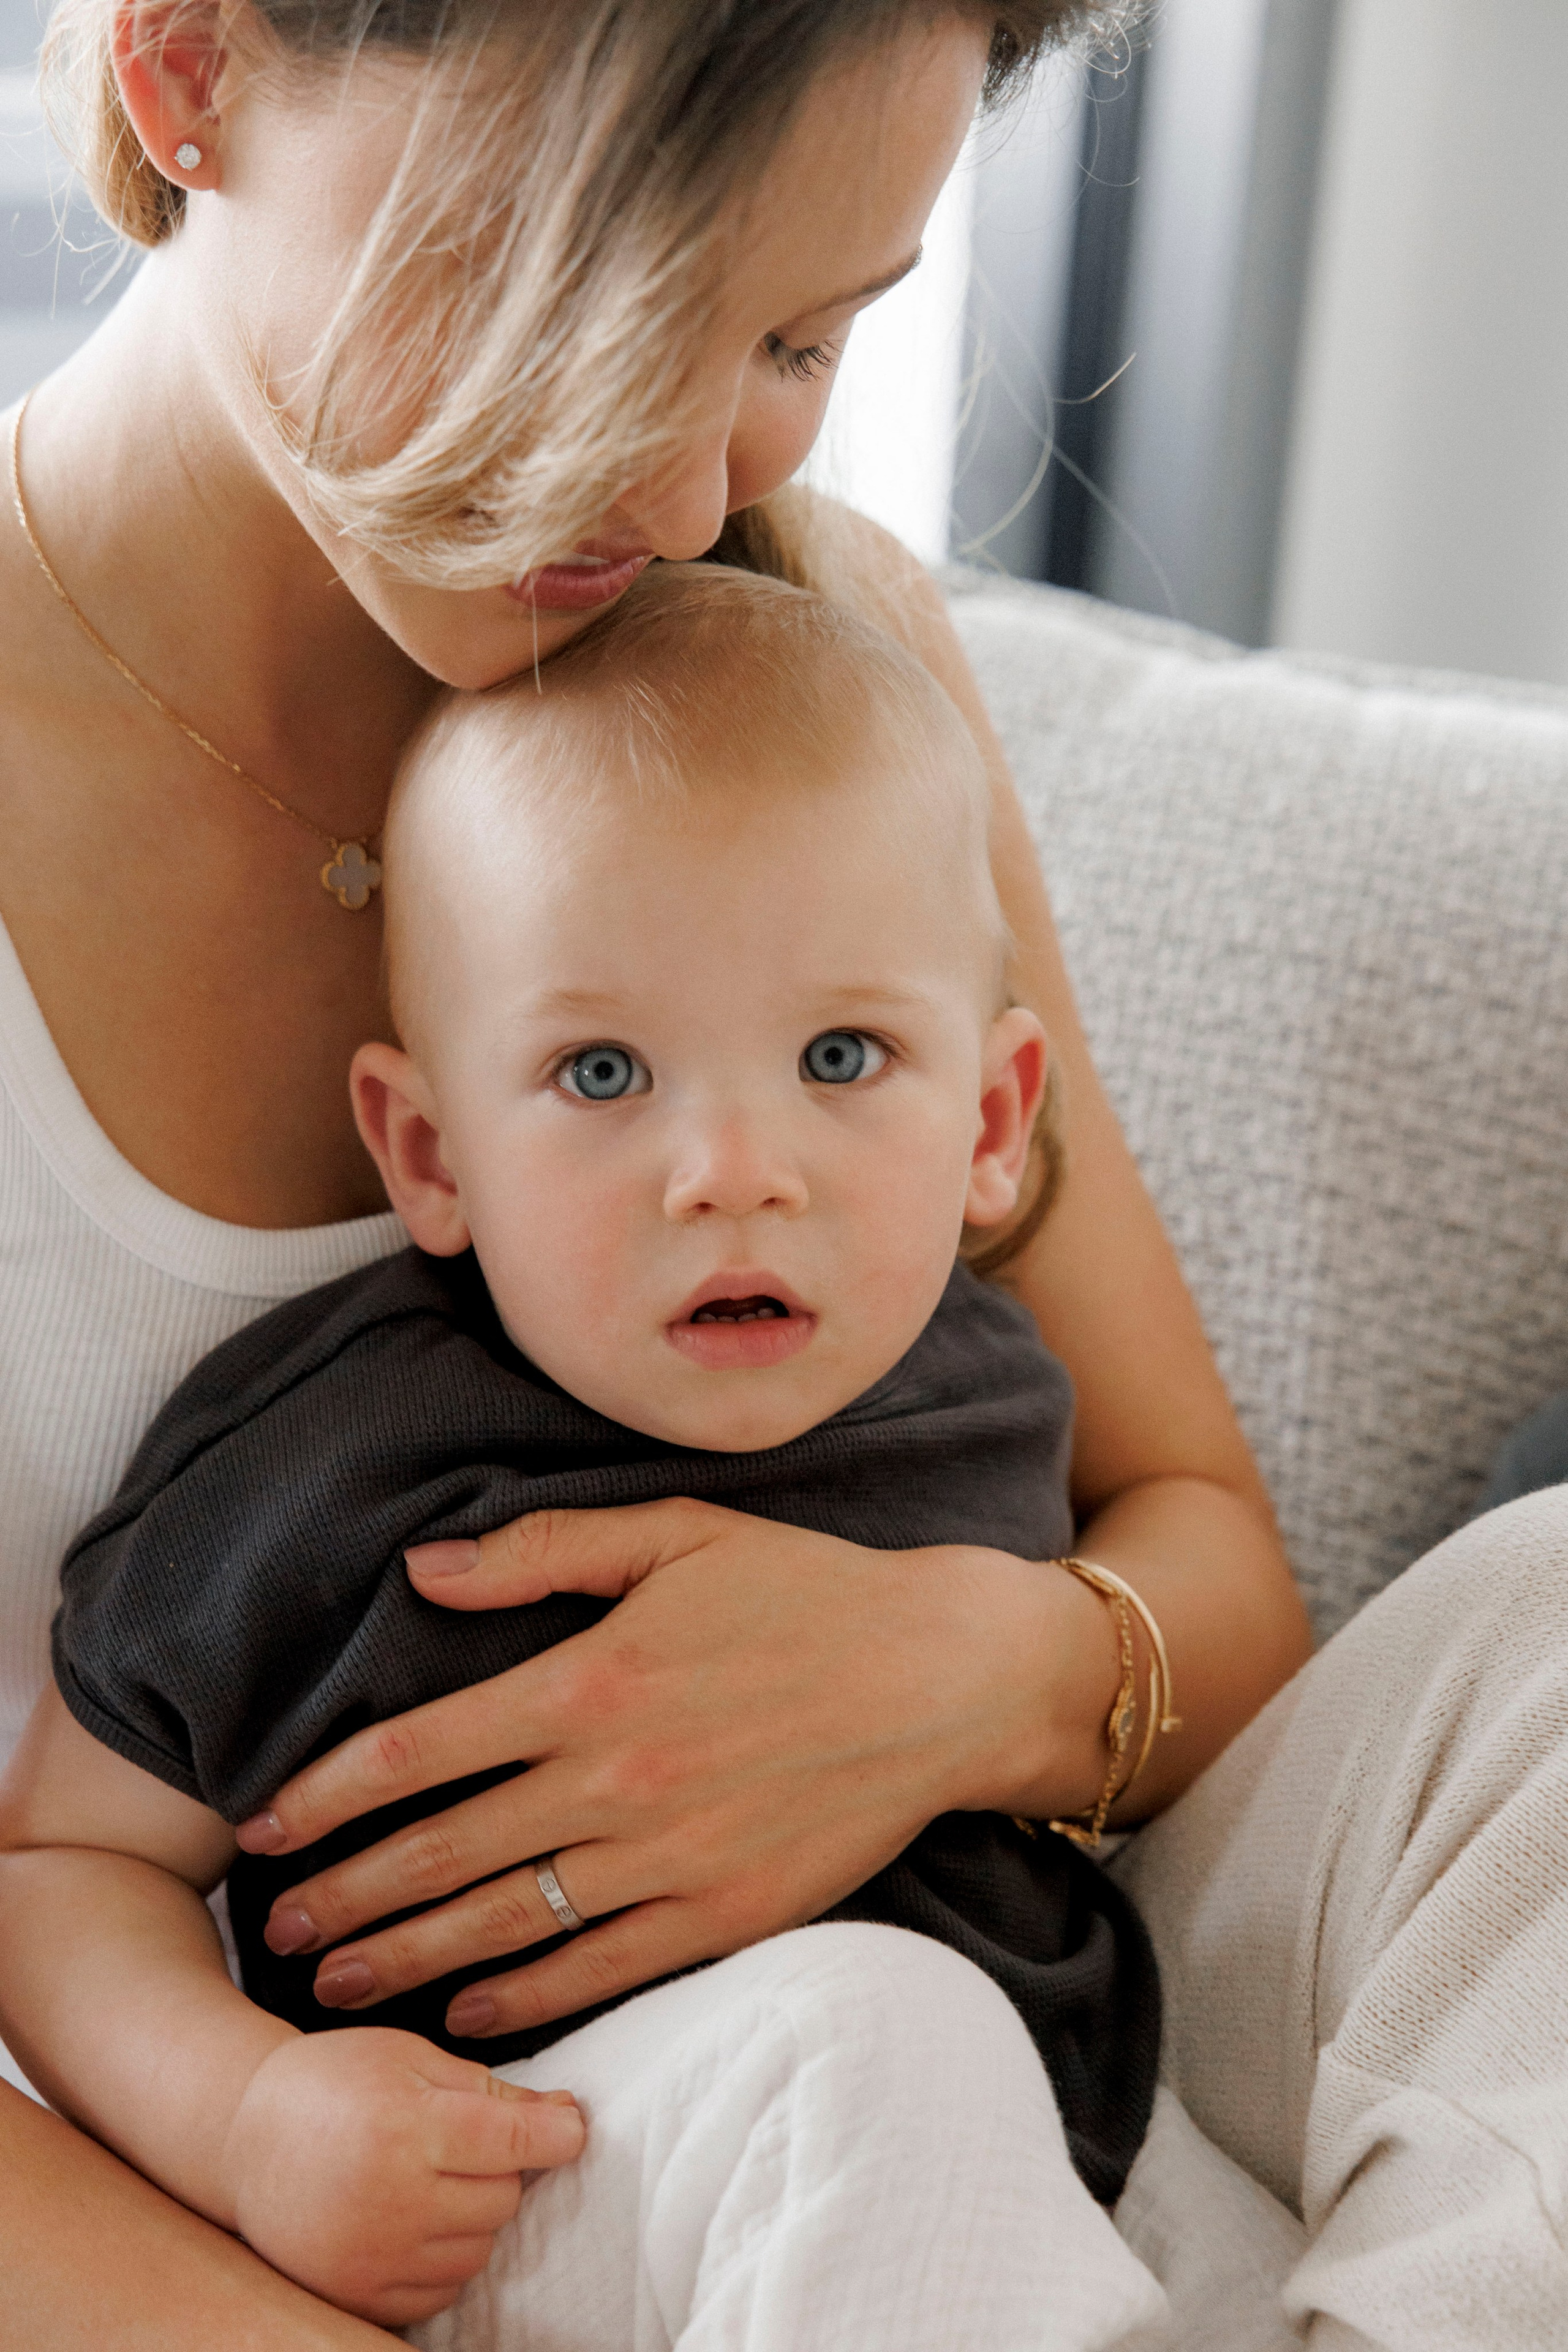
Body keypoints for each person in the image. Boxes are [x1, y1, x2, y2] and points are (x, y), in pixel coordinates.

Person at [7, 0, 1563, 2342]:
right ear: (192, 65)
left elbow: (1202, 1562)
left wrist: (955, 1678)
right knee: (869, 2064)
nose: (676, 486)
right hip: (450, 2170)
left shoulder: (805, 641)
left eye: (803, 337)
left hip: (1050, 1977)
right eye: (599, 299)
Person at [1, 562, 1169, 2344]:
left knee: (1533, 1605)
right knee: (881, 2040)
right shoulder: (337, 1457)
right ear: (431, 1149)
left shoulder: (986, 1374)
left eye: (841, 1056)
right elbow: (67, 1865)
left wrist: (1000, 1661)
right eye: (606, 1076)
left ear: (997, 1122)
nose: (733, 1172)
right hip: (554, 2180)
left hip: (1086, 2109)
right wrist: (242, 2119)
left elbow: (1206, 1607)